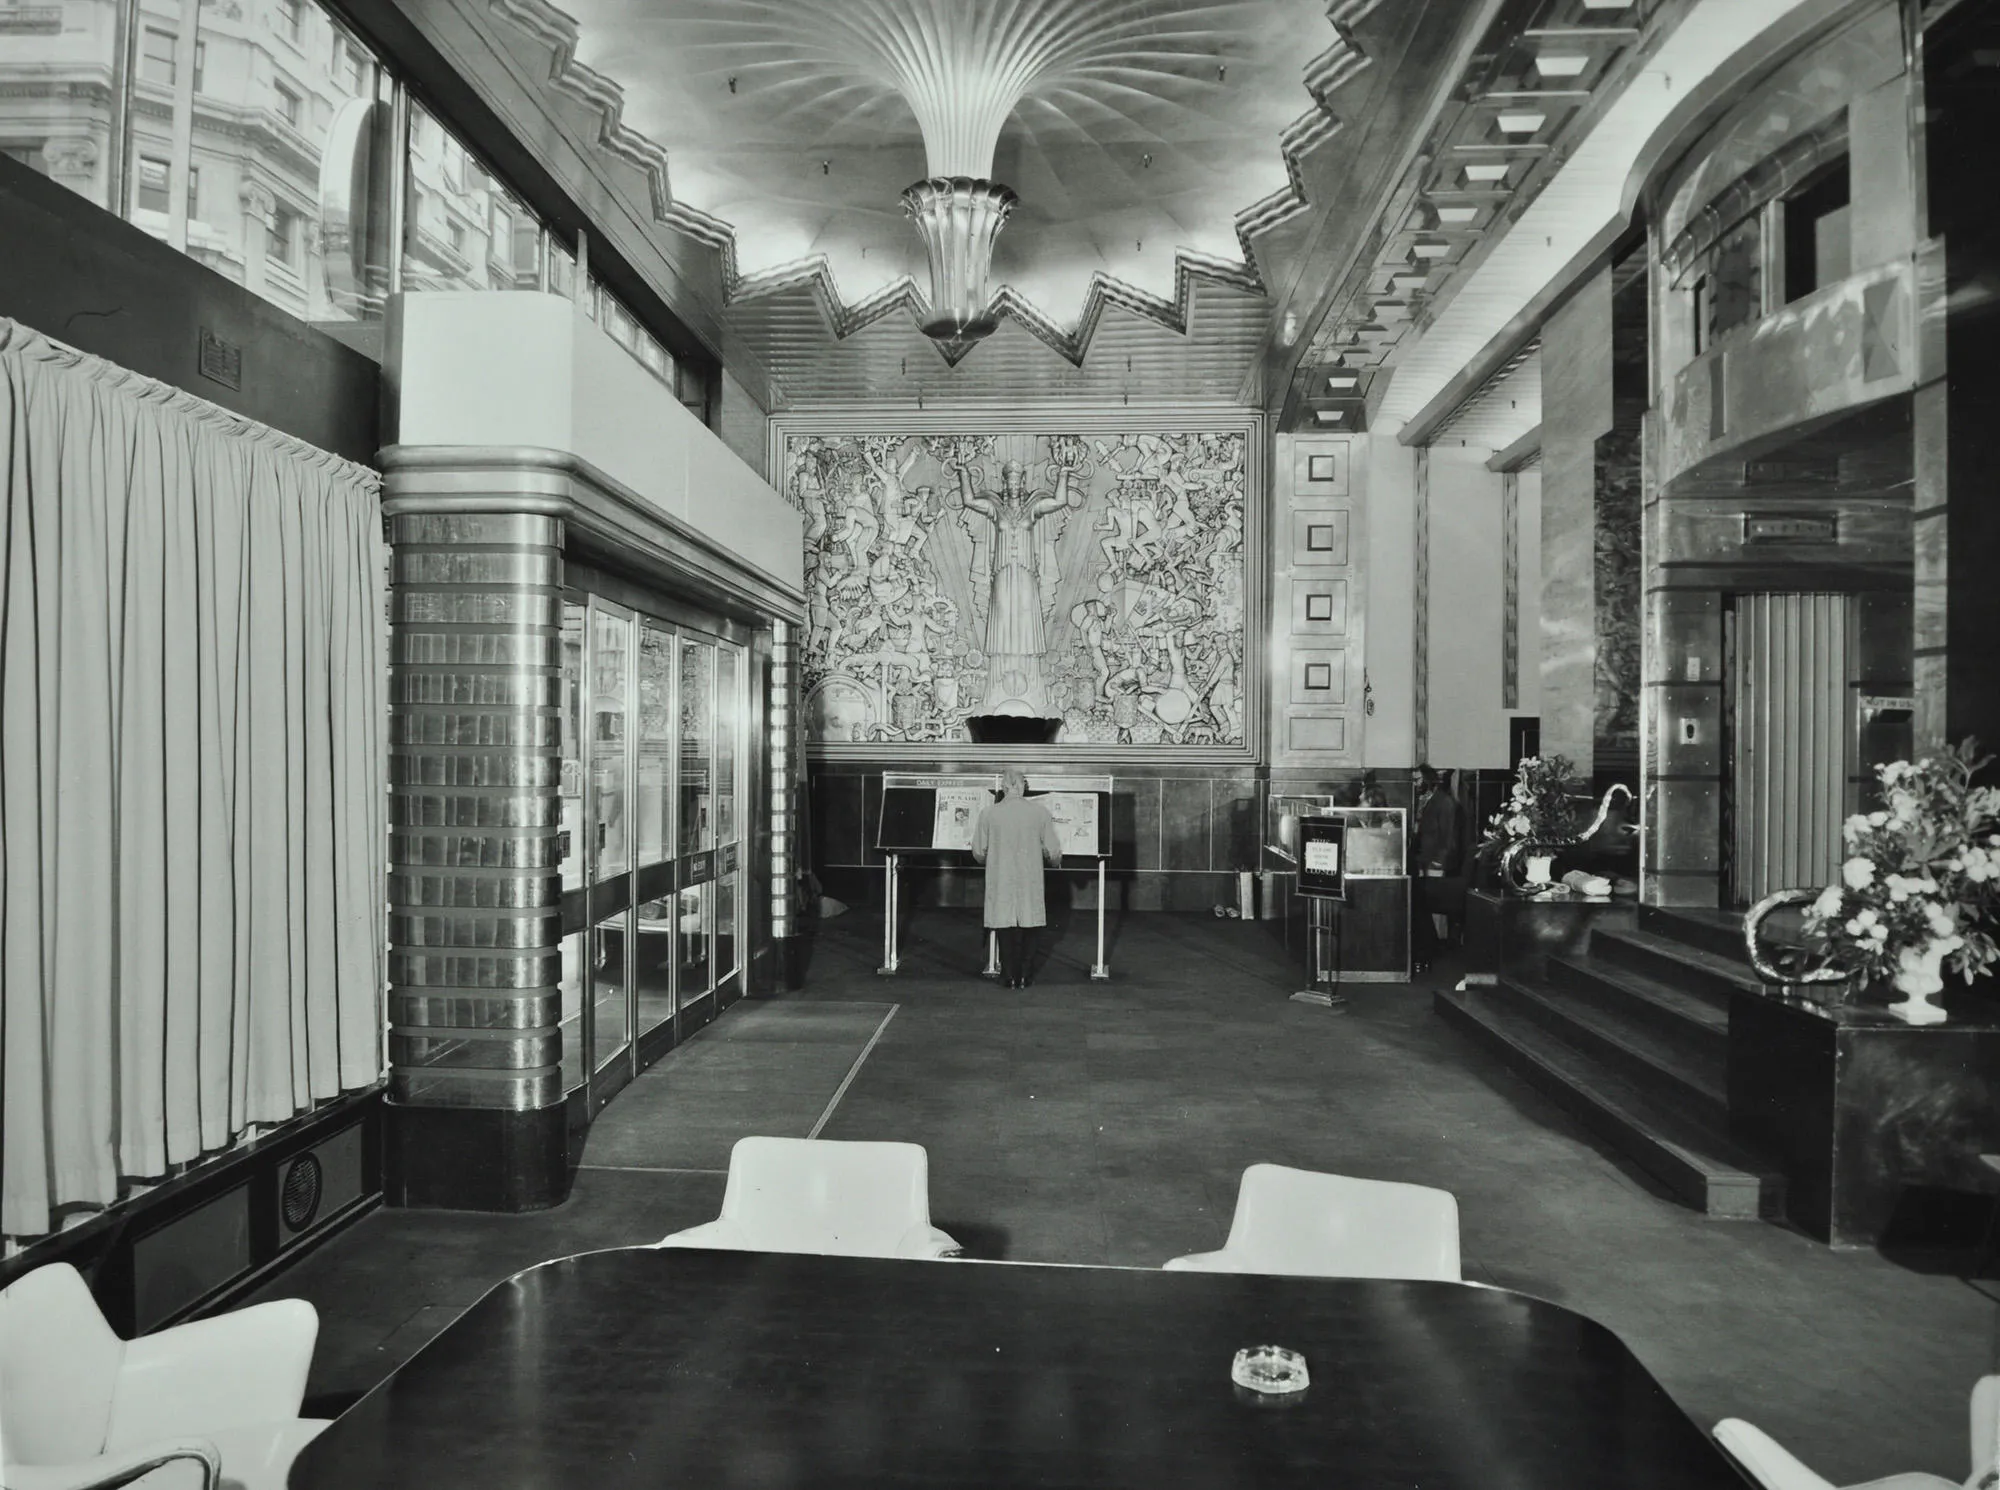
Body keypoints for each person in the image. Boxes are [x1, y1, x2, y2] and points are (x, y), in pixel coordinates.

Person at [971, 768, 1064, 988]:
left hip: (1001, 876)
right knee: (1030, 923)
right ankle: (1026, 976)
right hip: (1029, 876)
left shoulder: (988, 813)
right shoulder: (1039, 813)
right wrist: (1052, 861)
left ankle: (1010, 976)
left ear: (1003, 788)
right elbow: (1053, 852)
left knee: (1005, 925)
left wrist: (992, 859)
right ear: (1023, 787)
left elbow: (978, 852)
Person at [1411, 764, 1465, 971]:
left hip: (1436, 860)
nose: (1415, 784)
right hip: (1424, 859)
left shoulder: (1445, 802)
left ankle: (1436, 948)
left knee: (1434, 905)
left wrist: (1439, 860)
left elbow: (1450, 836)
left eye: (1418, 780)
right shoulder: (1427, 800)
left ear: (1428, 779)